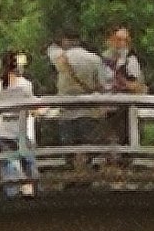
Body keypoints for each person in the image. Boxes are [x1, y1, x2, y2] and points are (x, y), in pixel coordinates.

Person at [46, 32, 111, 167]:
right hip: (89, 111)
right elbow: (103, 85)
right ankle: (87, 175)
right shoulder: (94, 59)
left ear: (66, 40)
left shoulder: (60, 58)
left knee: (69, 150)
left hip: (66, 111)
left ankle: (73, 175)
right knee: (88, 148)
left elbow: (50, 49)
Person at [0, 48, 38, 195]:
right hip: (20, 130)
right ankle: (33, 190)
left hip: (1, 130)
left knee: (8, 164)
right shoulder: (25, 85)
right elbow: (32, 106)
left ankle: (12, 193)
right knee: (28, 163)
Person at [105, 24, 146, 152]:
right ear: (111, 40)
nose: (122, 43)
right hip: (107, 109)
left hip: (125, 110)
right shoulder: (104, 59)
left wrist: (123, 83)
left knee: (125, 145)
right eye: (119, 39)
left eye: (126, 40)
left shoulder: (130, 61)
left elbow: (139, 87)